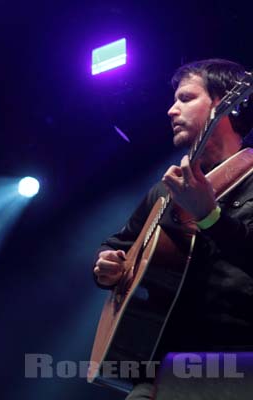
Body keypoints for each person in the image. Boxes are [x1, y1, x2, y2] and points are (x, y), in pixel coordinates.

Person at [93, 59, 253, 399]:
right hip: (159, 365)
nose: (170, 110)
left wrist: (209, 216)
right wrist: (107, 265)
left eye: (185, 98)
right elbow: (118, 243)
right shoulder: (166, 191)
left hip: (235, 364)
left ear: (225, 103)